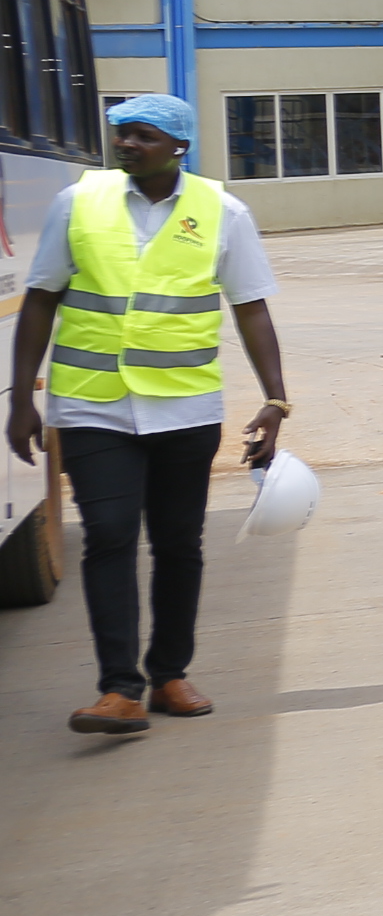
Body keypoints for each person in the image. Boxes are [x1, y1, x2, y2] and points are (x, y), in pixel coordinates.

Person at [7, 94, 289, 735]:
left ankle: (168, 675)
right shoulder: (77, 201)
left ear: (179, 147)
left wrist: (275, 398)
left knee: (177, 543)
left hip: (185, 406)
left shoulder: (224, 211)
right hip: (91, 404)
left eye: (142, 135)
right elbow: (42, 298)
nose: (125, 144)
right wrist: (22, 396)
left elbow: (251, 307)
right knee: (107, 534)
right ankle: (119, 689)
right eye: (121, 133)